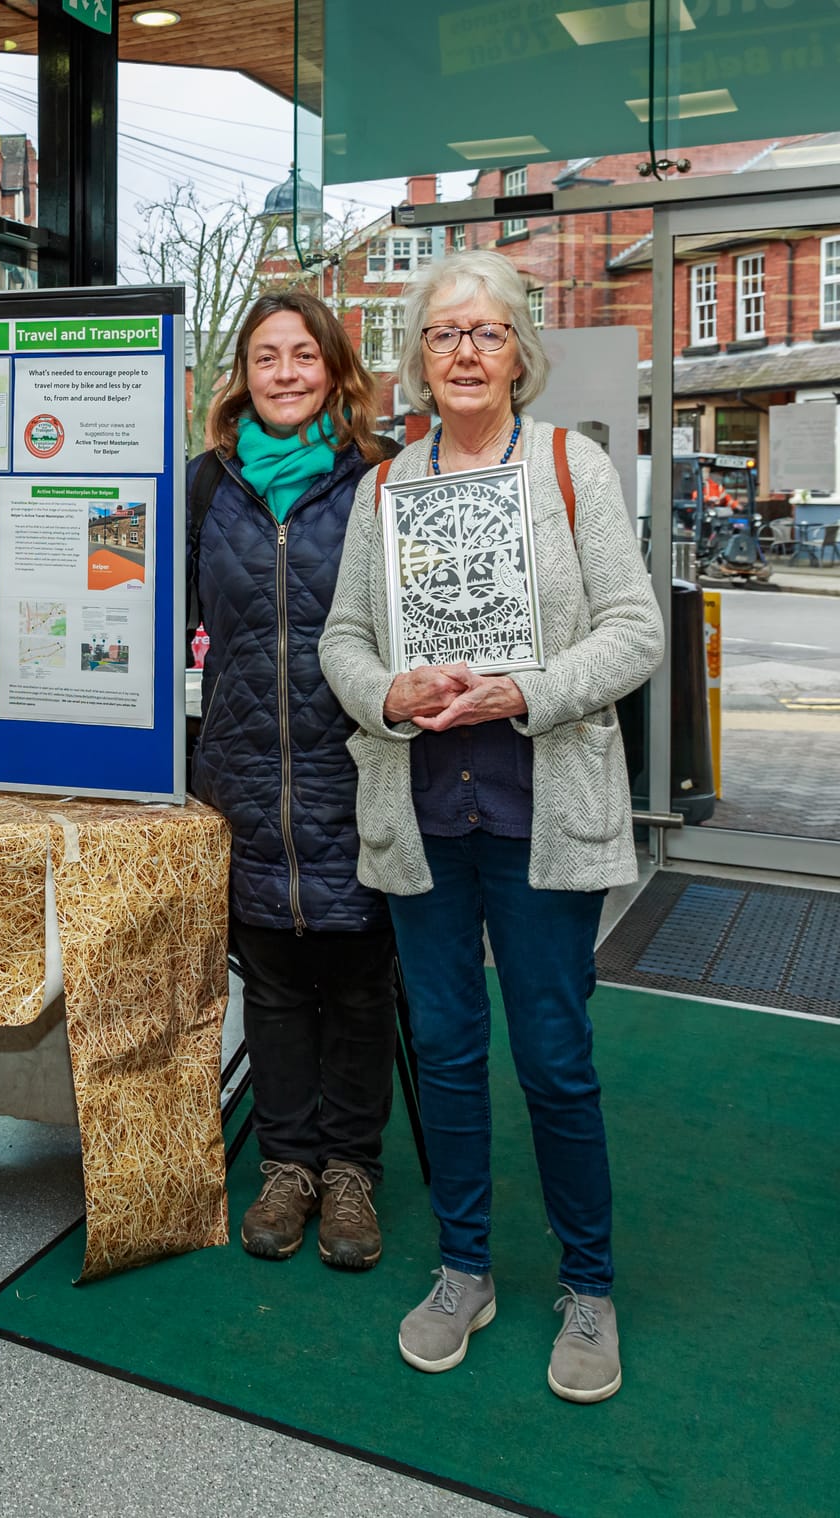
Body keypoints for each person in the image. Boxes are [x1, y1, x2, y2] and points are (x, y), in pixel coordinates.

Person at [320, 249, 662, 1405]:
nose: (462, 353)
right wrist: (383, 694)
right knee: (449, 1058)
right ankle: (463, 1266)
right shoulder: (383, 488)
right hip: (422, 817)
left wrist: (527, 688)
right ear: (415, 360)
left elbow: (632, 630)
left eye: (485, 333)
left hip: (539, 817)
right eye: (441, 334)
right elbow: (340, 641)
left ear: (520, 353)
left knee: (556, 1062)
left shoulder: (571, 471)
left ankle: (589, 1286)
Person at [185, 291, 398, 1272]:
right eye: (265, 356)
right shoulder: (204, 489)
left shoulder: (381, 483)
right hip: (239, 769)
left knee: (356, 979)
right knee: (268, 977)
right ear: (242, 373)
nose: (282, 373)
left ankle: (348, 1170)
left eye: (301, 355)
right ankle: (284, 1166)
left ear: (332, 369)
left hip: (354, 766)